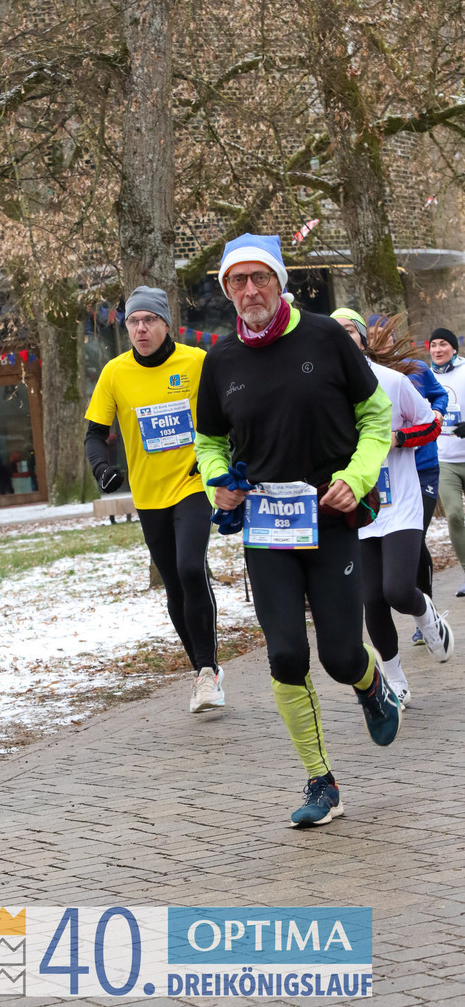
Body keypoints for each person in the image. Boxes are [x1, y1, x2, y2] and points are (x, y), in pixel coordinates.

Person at [194, 233, 399, 829]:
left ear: (279, 282)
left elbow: (376, 416)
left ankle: (370, 683)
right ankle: (321, 781)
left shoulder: (325, 336)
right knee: (285, 654)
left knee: (340, 655)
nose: (250, 290)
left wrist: (357, 478)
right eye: (237, 281)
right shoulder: (220, 361)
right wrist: (216, 483)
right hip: (266, 528)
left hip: (330, 517)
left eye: (259, 277)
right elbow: (209, 441)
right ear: (227, 291)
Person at [84, 285, 224, 713]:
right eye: (133, 321)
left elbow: (228, 414)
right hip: (148, 495)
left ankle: (207, 671)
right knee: (174, 585)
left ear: (166, 323)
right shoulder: (115, 373)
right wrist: (102, 469)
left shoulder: (197, 362)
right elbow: (94, 434)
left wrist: (220, 458)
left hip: (193, 484)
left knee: (190, 567)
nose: (141, 329)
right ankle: (202, 669)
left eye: (149, 320)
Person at [332, 310, 452, 707]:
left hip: (400, 500)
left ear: (362, 339)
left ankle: (426, 615)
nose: (342, 338)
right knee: (373, 599)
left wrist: (399, 438)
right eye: (334, 332)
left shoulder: (392, 381)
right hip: (359, 506)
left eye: (348, 331)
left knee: (398, 589)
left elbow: (431, 425)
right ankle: (396, 680)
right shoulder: (324, 392)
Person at [366, 314, 448, 646]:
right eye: (373, 334)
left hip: (422, 467)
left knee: (417, 538)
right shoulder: (359, 376)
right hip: (380, 478)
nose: (379, 339)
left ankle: (424, 613)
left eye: (384, 333)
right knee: (381, 572)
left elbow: (439, 397)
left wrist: (437, 411)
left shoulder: (415, 369)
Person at [429, 328, 465, 596]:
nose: (437, 349)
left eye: (443, 344)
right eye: (433, 345)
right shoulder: (425, 376)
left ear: (454, 348)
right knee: (453, 514)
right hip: (445, 460)